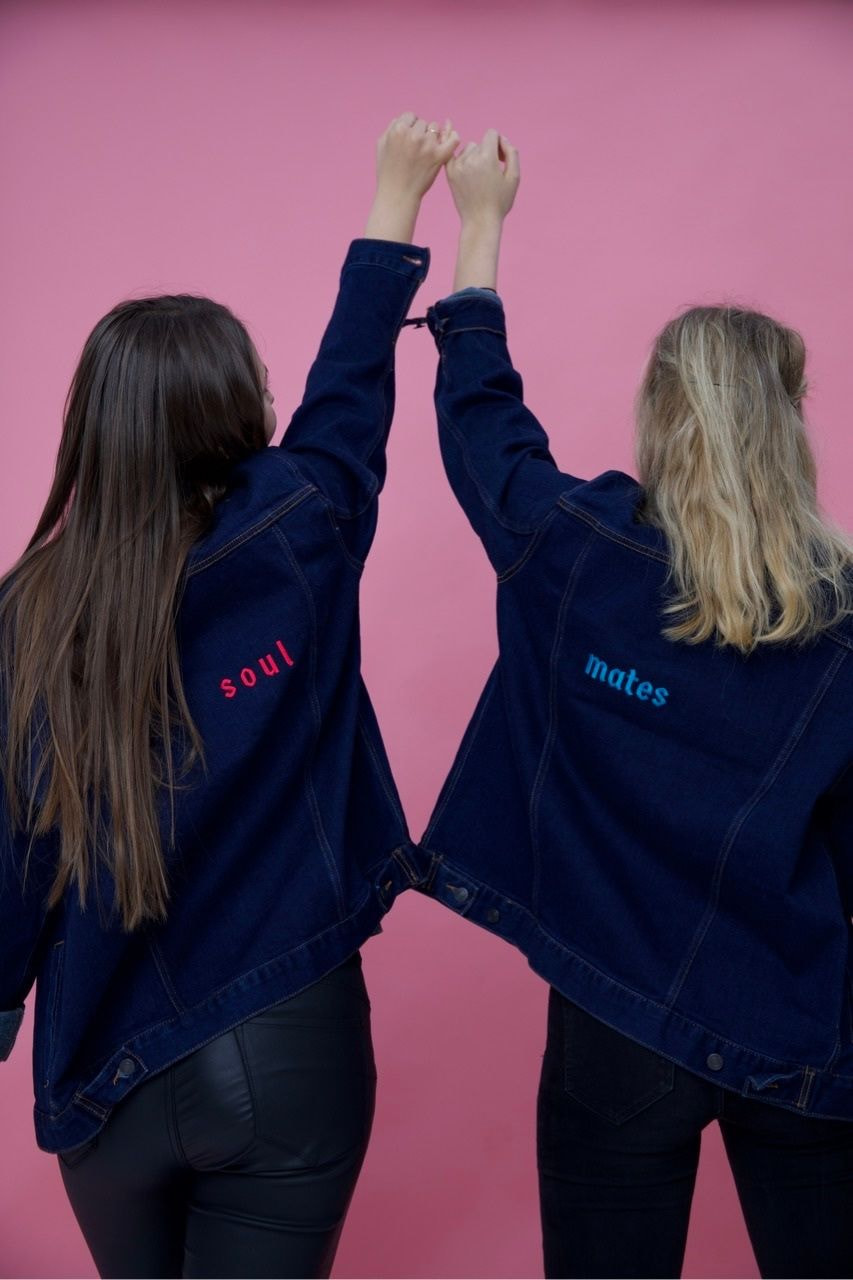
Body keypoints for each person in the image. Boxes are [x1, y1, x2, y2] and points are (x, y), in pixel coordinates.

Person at [0, 111, 457, 1280]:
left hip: (101, 1070)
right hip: (284, 1038)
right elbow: (349, 393)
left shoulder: (28, 611)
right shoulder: (300, 529)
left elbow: (8, 851)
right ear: (234, 409)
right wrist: (396, 203)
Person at [416, 129, 853, 1278]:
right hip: (801, 1022)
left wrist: (478, 225)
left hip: (616, 1021)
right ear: (792, 418)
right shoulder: (844, 615)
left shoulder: (577, 552)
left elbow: (480, 424)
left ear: (659, 415)